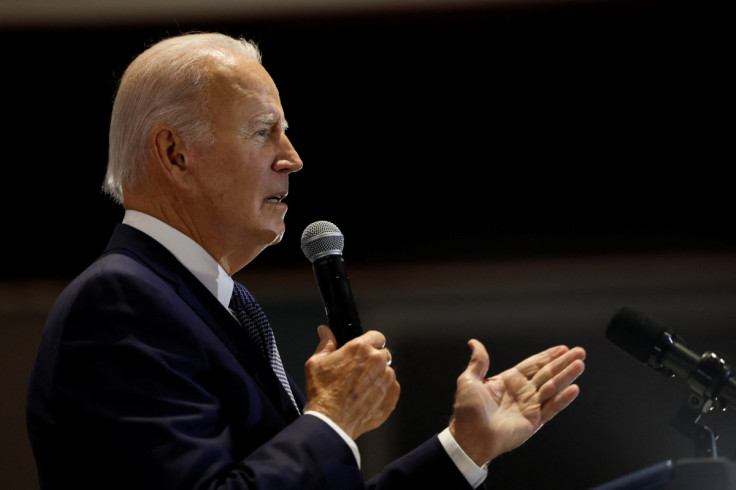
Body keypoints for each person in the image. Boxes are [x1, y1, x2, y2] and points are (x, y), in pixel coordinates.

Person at [26, 32, 586, 489]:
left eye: (285, 133)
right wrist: (331, 419)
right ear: (176, 155)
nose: (292, 158)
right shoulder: (120, 302)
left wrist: (464, 447)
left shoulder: (216, 302)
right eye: (263, 132)